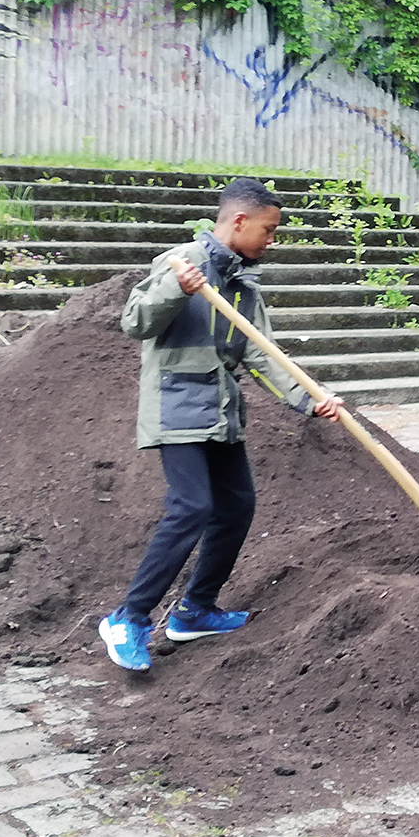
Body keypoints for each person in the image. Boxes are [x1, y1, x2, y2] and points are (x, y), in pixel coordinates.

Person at [99, 178, 343, 672]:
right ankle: (128, 617)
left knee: (235, 507)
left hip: (221, 411)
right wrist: (175, 288)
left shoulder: (243, 285)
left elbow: (261, 353)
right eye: (268, 230)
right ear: (238, 221)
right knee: (191, 507)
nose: (271, 241)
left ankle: (194, 611)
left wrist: (308, 400)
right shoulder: (179, 263)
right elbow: (134, 322)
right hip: (176, 406)